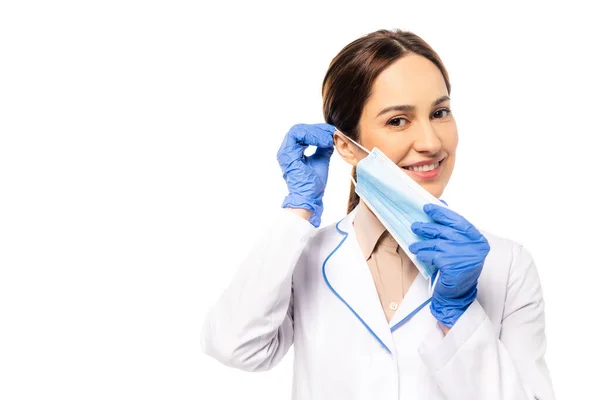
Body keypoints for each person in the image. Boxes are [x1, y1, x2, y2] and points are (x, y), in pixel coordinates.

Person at [201, 29, 555, 400]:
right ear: (346, 146)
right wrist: (298, 211)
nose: (432, 142)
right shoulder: (303, 257)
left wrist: (460, 314)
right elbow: (234, 347)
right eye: (397, 121)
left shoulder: (507, 265)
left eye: (440, 112)